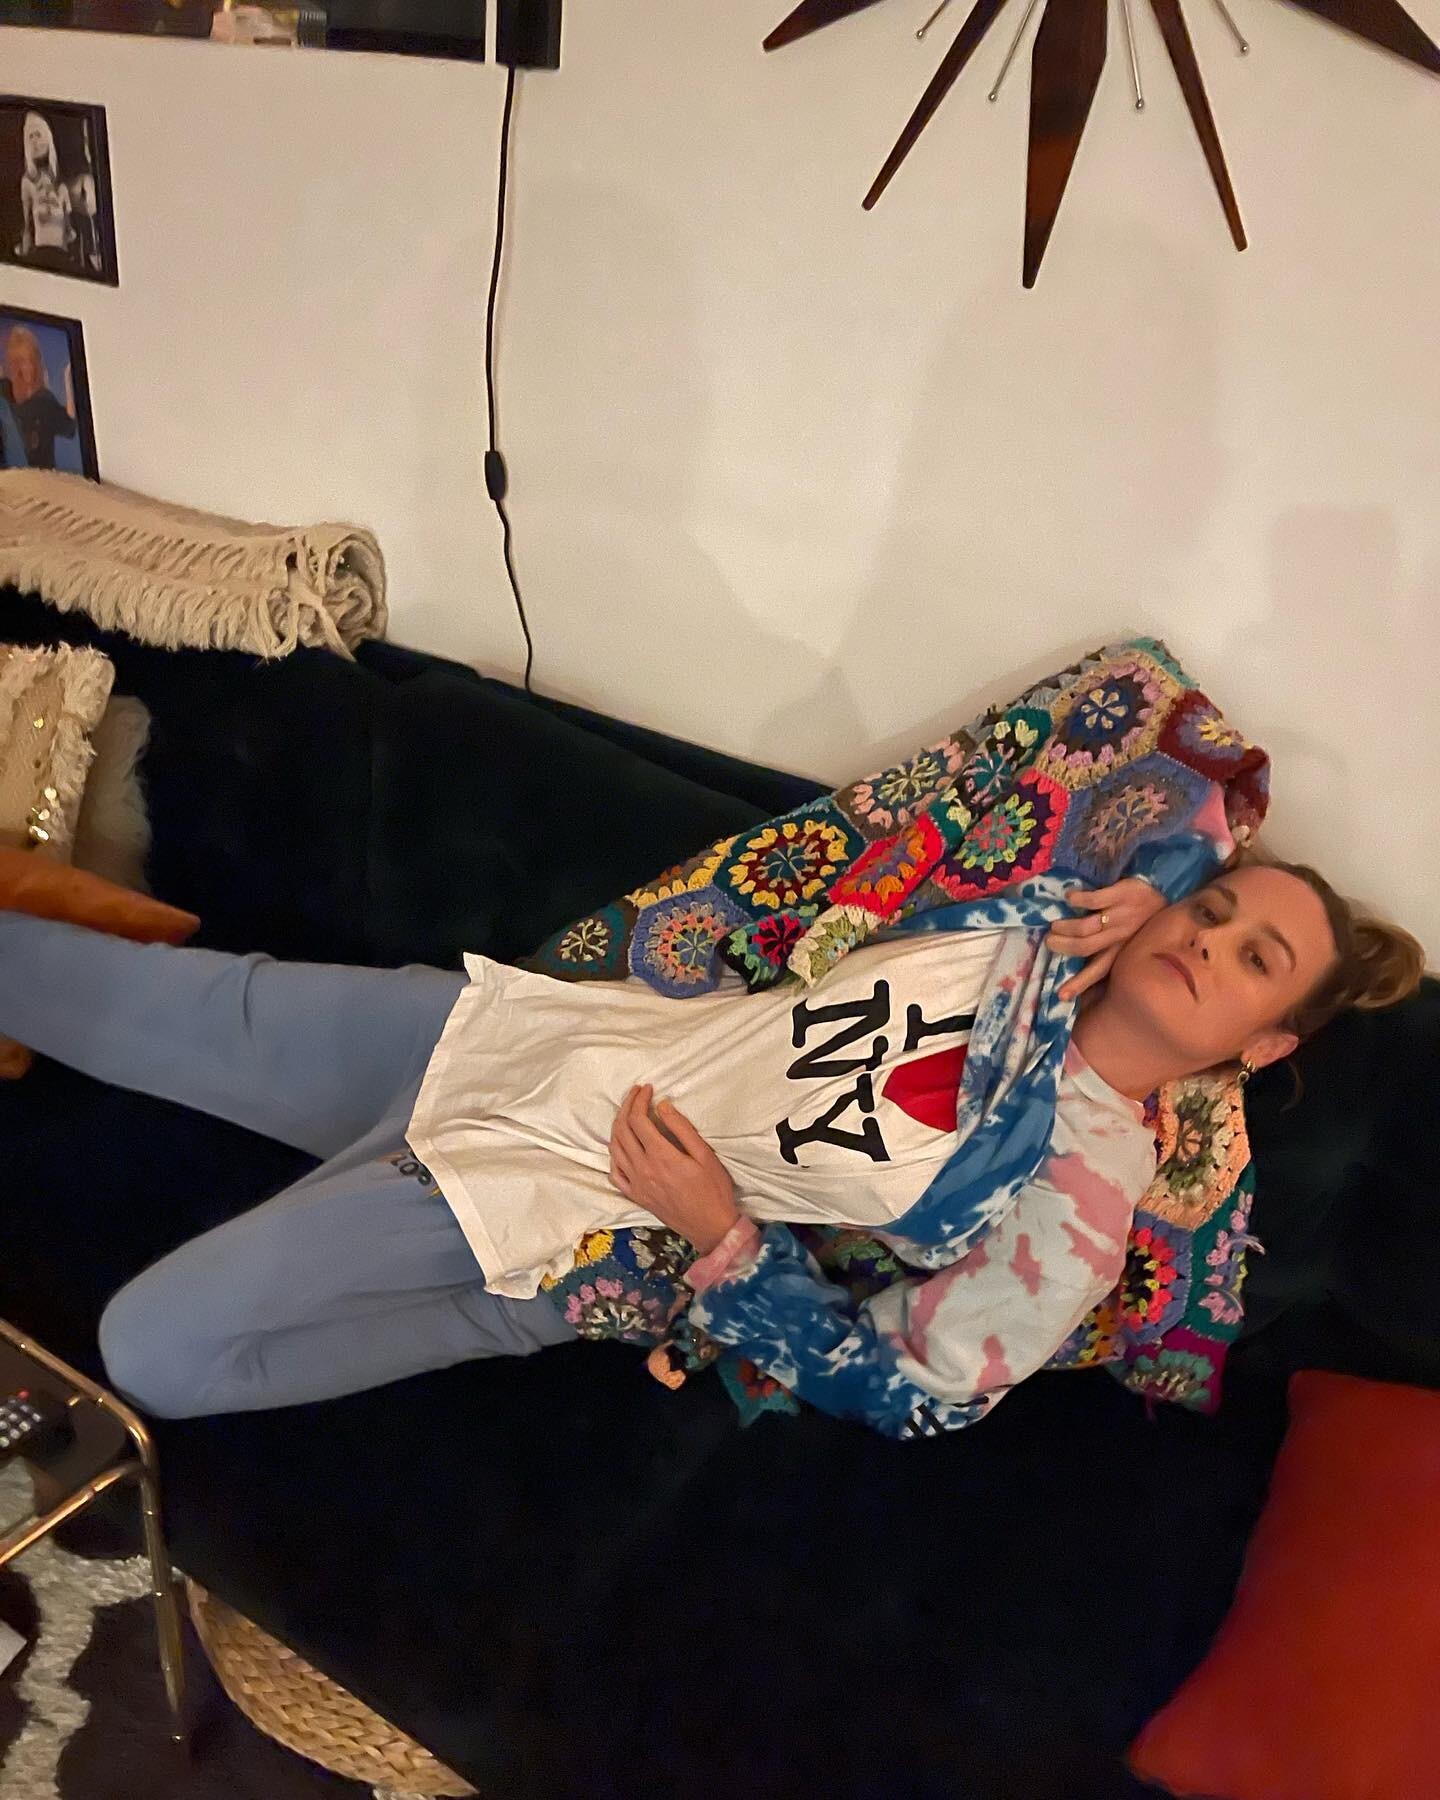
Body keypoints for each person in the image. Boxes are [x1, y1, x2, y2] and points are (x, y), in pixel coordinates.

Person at [0, 852, 1423, 1436]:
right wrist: (1136, 880)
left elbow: (919, 1397)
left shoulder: (1084, 1205)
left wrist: (724, 1245)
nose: (1208, 941)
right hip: (523, 1036)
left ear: (1263, 1046)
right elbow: (1146, 730)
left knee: (152, 1348)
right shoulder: (1035, 926)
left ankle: (501, 1315)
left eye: (1255, 959)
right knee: (124, 995)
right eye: (1215, 908)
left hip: (574, 1194)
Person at [1, 325, 79, 472]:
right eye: (21, 361)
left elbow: (69, 426)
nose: (27, 367)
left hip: (42, 477)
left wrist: (68, 381)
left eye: (31, 360)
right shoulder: (5, 392)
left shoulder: (45, 401)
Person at [17, 112, 73, 263]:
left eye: (38, 135)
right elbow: (26, 223)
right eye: (30, 136)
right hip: (40, 253)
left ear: (48, 138)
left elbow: (69, 226)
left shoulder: (61, 183)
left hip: (62, 253)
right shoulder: (27, 182)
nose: (35, 141)